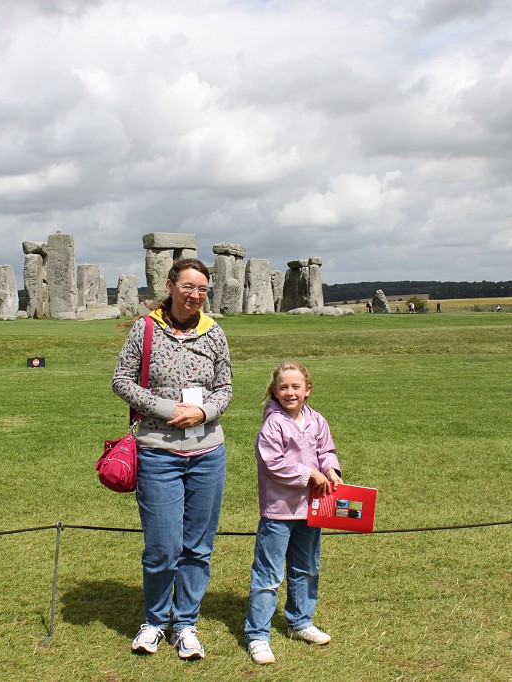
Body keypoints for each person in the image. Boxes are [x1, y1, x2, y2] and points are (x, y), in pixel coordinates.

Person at [112, 258, 233, 661]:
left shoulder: (214, 333)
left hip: (207, 452)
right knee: (163, 546)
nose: (195, 295)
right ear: (170, 285)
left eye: (202, 289)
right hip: (158, 450)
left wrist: (203, 412)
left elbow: (225, 387)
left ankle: (185, 624)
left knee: (198, 547)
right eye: (188, 286)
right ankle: (154, 621)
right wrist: (167, 409)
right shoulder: (145, 328)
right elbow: (121, 380)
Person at [244, 361, 342, 665]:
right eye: (283, 387)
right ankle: (258, 635)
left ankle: (300, 621)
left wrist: (331, 470)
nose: (290, 392)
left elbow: (326, 450)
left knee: (306, 568)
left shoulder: (317, 420)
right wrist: (309, 473)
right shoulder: (272, 424)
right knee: (269, 574)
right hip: (279, 511)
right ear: (275, 391)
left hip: (312, 509)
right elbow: (274, 464)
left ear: (307, 390)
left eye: (296, 387)